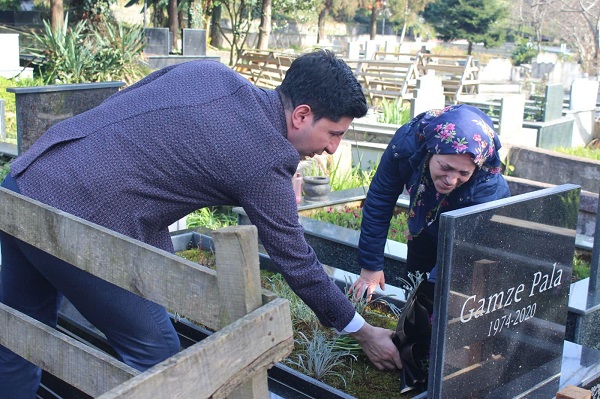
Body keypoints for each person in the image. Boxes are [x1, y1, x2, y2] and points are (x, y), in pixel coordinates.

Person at [0, 49, 402, 398]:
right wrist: (365, 332)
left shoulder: (210, 73)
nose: (333, 148)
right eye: (334, 133)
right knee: (159, 357)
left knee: (18, 336)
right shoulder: (264, 159)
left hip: (24, 182)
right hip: (78, 221)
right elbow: (297, 261)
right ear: (301, 115)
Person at [351, 104, 511, 298]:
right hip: (425, 208)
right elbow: (380, 199)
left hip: (477, 232)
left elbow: (460, 247)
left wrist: (436, 298)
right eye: (445, 167)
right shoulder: (405, 146)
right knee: (416, 282)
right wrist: (370, 266)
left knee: (448, 296)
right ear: (429, 152)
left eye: (463, 173)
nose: (451, 180)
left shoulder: (486, 184)